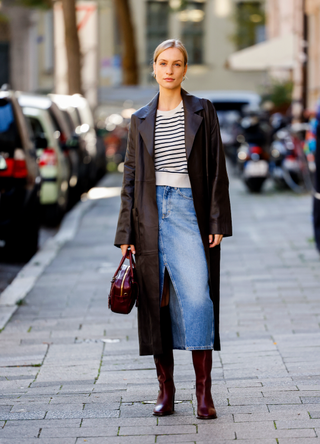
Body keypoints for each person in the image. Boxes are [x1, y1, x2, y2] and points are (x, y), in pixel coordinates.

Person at [115, 39, 232, 419]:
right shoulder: (140, 119)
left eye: (176, 64)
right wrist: (126, 235)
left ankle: (204, 392)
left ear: (185, 69)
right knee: (156, 302)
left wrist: (217, 220)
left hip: (188, 212)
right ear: (154, 68)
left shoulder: (203, 111)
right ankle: (166, 389)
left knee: (198, 298)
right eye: (163, 63)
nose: (169, 70)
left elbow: (217, 170)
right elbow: (129, 180)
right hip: (148, 217)